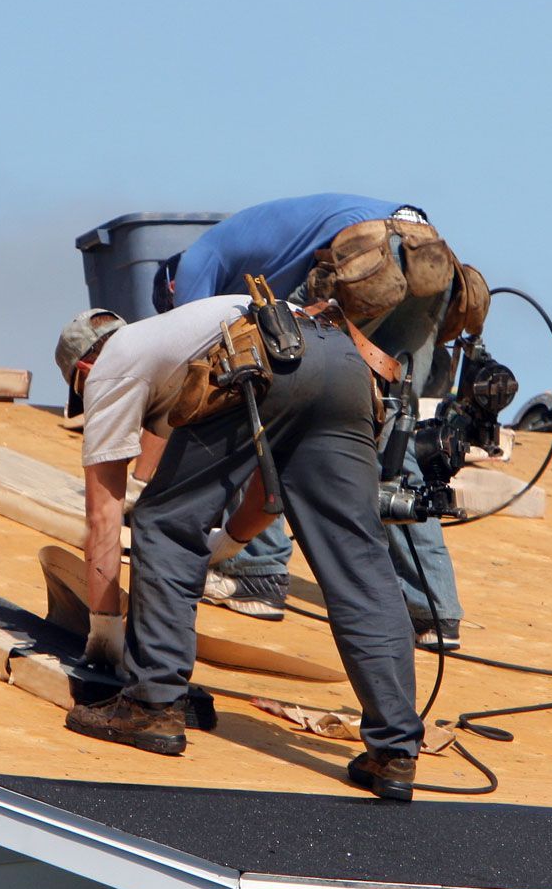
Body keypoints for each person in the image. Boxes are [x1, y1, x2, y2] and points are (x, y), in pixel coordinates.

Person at [52, 297, 426, 800]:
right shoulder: (174, 342)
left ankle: (152, 704)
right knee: (358, 562)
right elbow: (269, 489)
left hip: (255, 354)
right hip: (340, 360)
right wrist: (228, 544)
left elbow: (103, 517)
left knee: (164, 523)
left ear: (83, 368)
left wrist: (104, 633)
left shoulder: (113, 366)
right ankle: (394, 752)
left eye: (81, 390)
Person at [165, 193, 468, 650]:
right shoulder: (262, 256)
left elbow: (190, 347)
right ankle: (432, 611)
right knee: (390, 435)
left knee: (259, 400)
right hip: (429, 256)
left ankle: (256, 573)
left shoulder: (192, 263)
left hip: (369, 256)